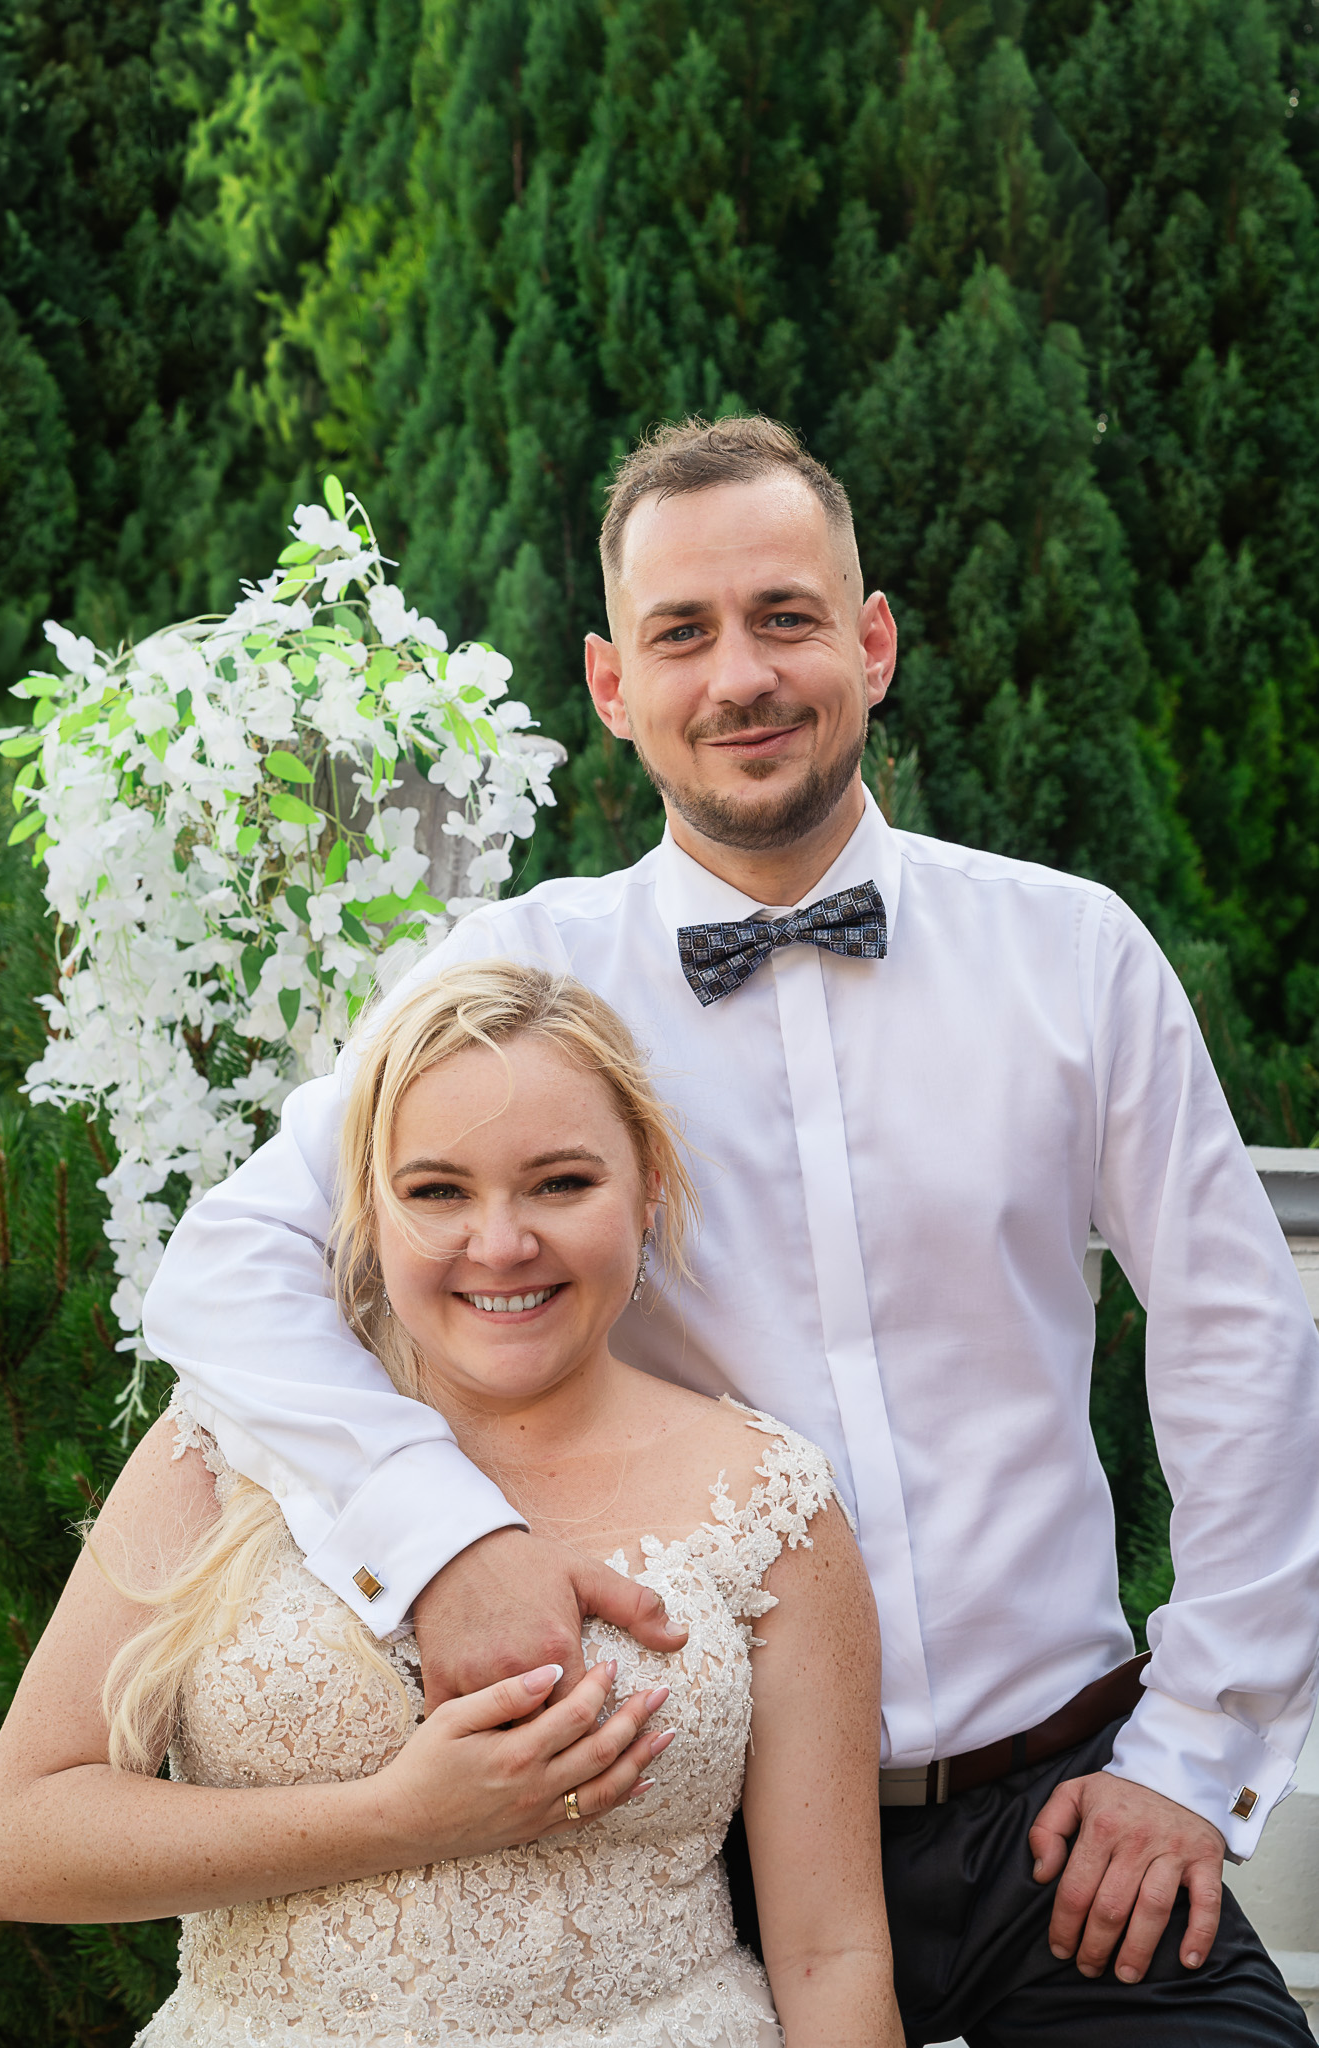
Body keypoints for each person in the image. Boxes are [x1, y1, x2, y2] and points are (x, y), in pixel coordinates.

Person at [132, 415, 1319, 2044]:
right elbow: (229, 1264)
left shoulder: (1074, 954)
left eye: (783, 618)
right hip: (680, 1843)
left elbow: (1238, 1347)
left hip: (1059, 1821)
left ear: (870, 644)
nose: (740, 676)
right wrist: (440, 1533)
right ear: (612, 685)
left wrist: (1190, 1757)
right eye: (681, 633)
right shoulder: (519, 979)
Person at [0, 963, 903, 2048]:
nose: (500, 1245)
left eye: (560, 1183)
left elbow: (832, 1952)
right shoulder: (217, 1453)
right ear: (367, 1210)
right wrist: (395, 1818)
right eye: (438, 1191)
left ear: (648, 1188)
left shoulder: (769, 1496)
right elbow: (12, 1847)